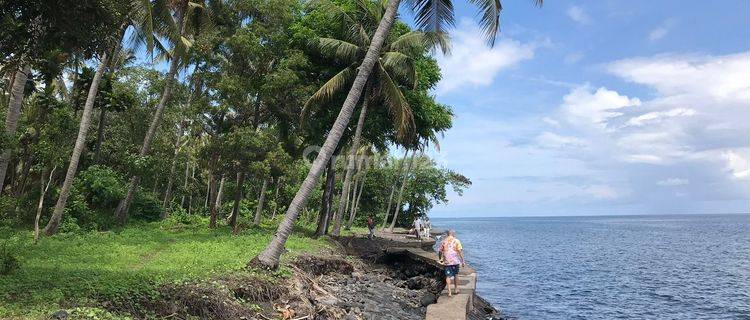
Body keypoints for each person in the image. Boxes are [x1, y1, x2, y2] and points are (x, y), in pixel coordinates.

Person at [438, 230, 465, 296]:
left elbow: (440, 251)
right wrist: (463, 261)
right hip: (455, 261)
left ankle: (449, 292)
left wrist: (440, 259)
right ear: (453, 234)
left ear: (448, 234)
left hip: (447, 262)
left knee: (448, 276)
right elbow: (460, 252)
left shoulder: (444, 241)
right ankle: (456, 289)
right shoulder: (457, 241)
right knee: (456, 274)